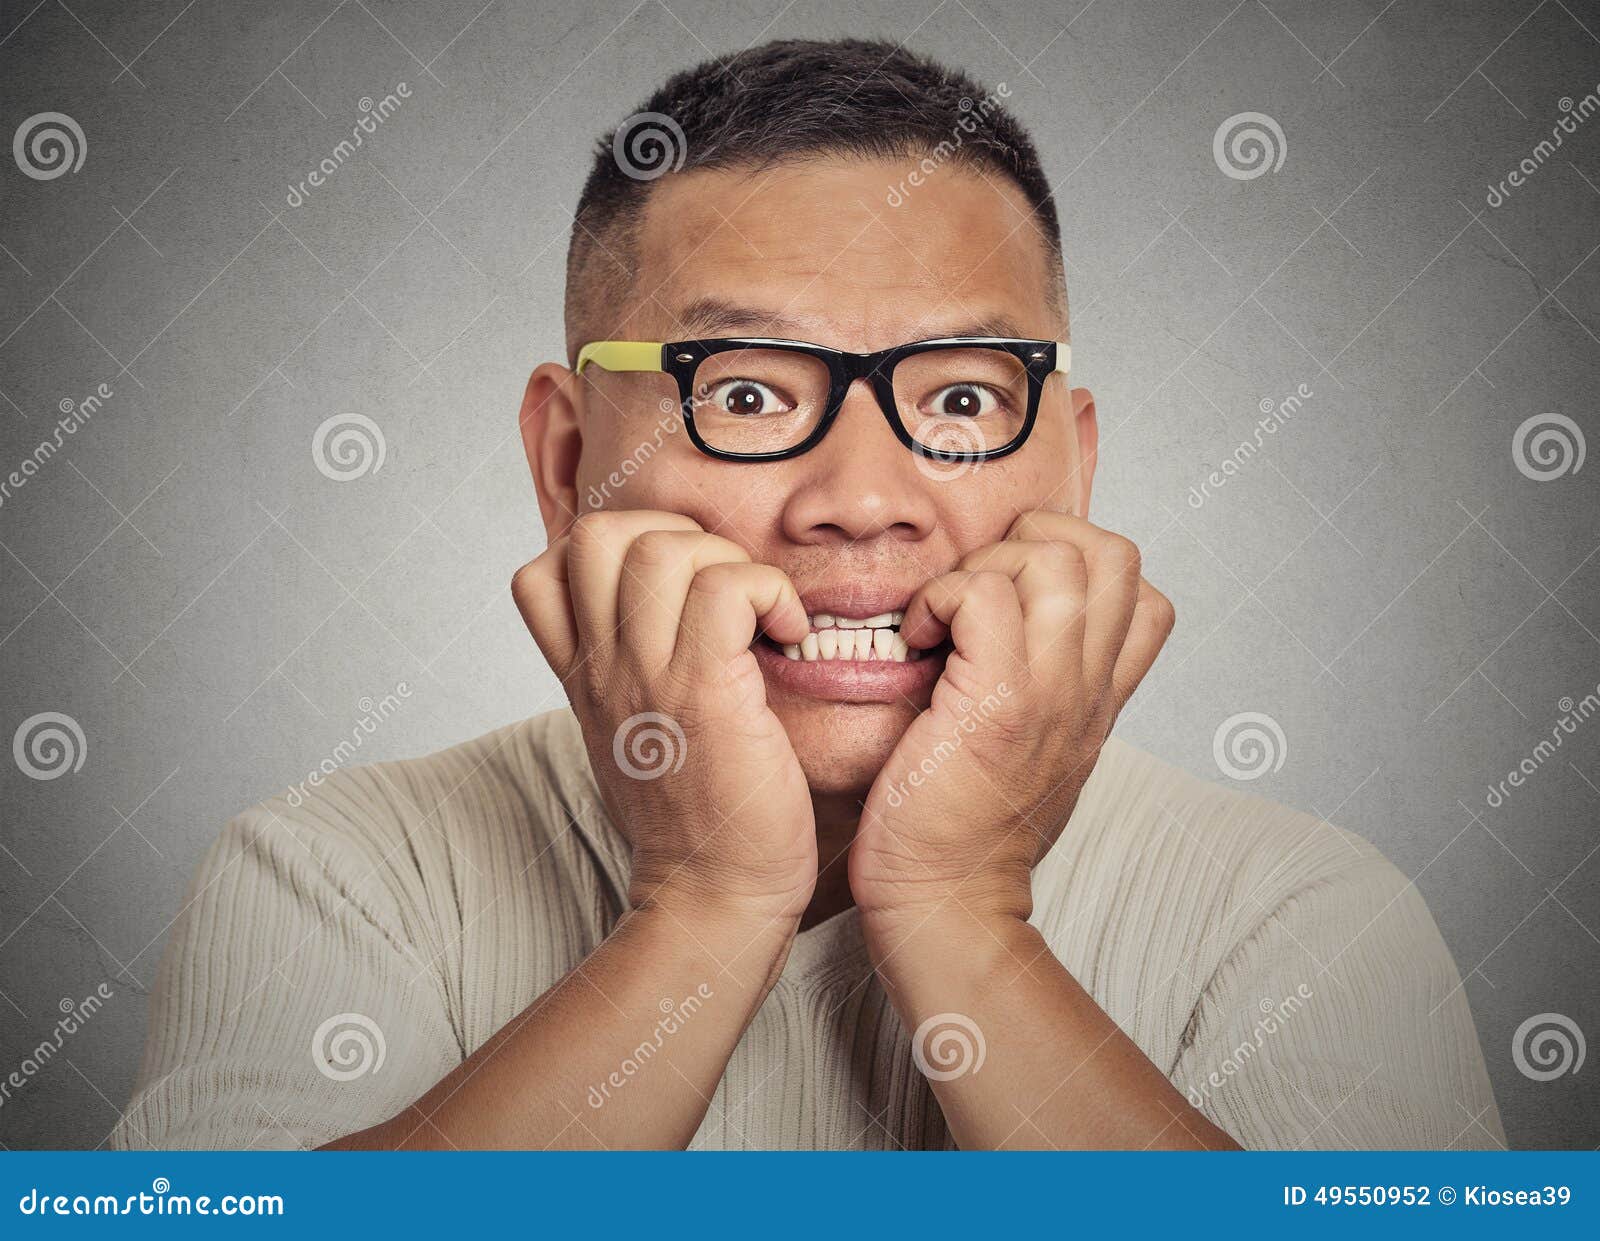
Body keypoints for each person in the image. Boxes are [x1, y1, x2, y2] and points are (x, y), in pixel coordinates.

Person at [114, 38, 1502, 1151]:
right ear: (565, 462)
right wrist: (701, 902)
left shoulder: (1302, 914)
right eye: (746, 393)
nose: (861, 493)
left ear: (1073, 467)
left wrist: (965, 907)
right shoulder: (341, 872)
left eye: (961, 395)